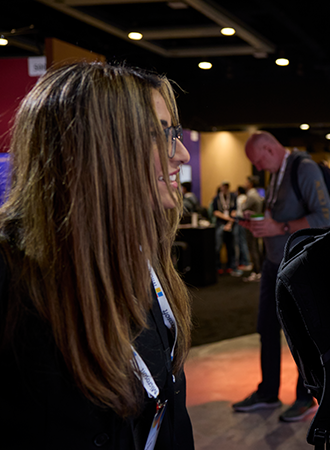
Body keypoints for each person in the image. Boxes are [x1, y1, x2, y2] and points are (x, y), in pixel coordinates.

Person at [0, 62, 194, 449]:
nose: (183, 155)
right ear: (98, 145)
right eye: (164, 134)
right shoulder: (11, 277)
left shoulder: (142, 256)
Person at [234, 131, 330, 422]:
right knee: (266, 329)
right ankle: (267, 392)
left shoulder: (303, 168)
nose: (259, 168)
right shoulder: (275, 173)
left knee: (300, 336)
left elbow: (324, 218)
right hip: (272, 264)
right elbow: (277, 217)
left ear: (269, 148)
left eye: (258, 161)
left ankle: (307, 397)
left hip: (296, 268)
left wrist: (279, 228)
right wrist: (261, 226)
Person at [211, 181, 241, 276]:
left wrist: (230, 222)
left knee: (231, 246)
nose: (225, 189)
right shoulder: (216, 198)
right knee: (218, 246)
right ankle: (218, 266)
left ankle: (231, 266)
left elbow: (234, 211)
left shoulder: (232, 197)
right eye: (223, 187)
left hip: (231, 224)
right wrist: (228, 219)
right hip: (220, 224)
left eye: (226, 187)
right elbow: (216, 212)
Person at [241, 176, 264, 282]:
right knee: (256, 247)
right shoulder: (258, 194)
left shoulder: (251, 195)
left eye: (246, 181)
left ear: (250, 183)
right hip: (257, 223)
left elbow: (243, 209)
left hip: (251, 224)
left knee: (253, 248)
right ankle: (259, 271)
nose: (245, 183)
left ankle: (256, 272)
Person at [234, 186, 252, 271]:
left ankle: (246, 262)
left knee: (241, 242)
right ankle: (246, 262)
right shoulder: (246, 197)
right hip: (247, 221)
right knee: (244, 241)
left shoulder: (239, 198)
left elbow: (239, 211)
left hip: (240, 220)